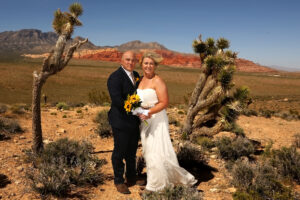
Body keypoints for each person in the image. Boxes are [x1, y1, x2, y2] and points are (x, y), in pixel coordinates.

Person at [137, 52, 197, 192]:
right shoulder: (140, 80)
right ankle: (161, 179)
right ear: (141, 64)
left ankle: (155, 186)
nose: (148, 66)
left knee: (154, 150)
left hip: (156, 118)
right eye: (146, 63)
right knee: (147, 150)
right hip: (143, 119)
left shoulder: (158, 81)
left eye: (151, 63)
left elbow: (164, 102)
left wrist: (149, 112)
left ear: (155, 65)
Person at [107, 51, 145, 194]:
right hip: (120, 120)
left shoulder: (135, 75)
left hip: (133, 122)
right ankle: (118, 180)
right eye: (127, 60)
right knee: (119, 151)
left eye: (133, 60)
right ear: (121, 60)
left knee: (131, 151)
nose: (130, 62)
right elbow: (117, 100)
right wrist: (134, 109)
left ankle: (131, 176)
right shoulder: (114, 77)